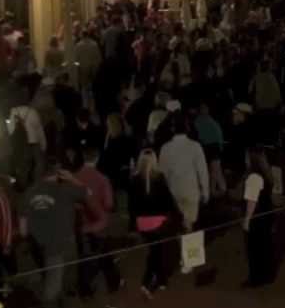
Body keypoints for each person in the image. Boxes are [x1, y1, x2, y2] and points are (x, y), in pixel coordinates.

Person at [20, 158, 88, 308]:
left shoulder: (28, 193)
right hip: (66, 244)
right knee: (58, 289)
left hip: (44, 246)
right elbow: (87, 193)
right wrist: (72, 178)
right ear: (57, 174)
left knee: (55, 282)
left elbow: (23, 230)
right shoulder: (66, 189)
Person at [128, 149, 175, 298]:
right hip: (158, 223)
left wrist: (133, 225)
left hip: (142, 224)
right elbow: (168, 202)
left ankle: (162, 280)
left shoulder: (134, 180)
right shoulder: (160, 177)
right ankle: (147, 283)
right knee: (156, 253)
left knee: (156, 251)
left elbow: (131, 206)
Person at [74, 147, 121, 297]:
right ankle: (112, 283)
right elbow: (108, 204)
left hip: (81, 225)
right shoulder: (102, 179)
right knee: (104, 254)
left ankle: (85, 290)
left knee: (84, 258)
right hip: (99, 226)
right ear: (97, 158)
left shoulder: (74, 178)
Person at [158, 119, 209, 233]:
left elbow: (162, 174)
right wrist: (205, 191)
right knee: (189, 225)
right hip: (191, 191)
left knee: (176, 224)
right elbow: (202, 171)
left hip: (174, 191)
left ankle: (179, 246)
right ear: (187, 129)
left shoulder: (165, 148)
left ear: (172, 129)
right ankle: (189, 248)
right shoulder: (195, 146)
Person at [241, 146, 278, 288]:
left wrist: (247, 220)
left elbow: (252, 200)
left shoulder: (253, 177)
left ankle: (255, 278)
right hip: (266, 214)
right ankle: (266, 275)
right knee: (265, 246)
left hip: (257, 217)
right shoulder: (266, 175)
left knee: (254, 249)